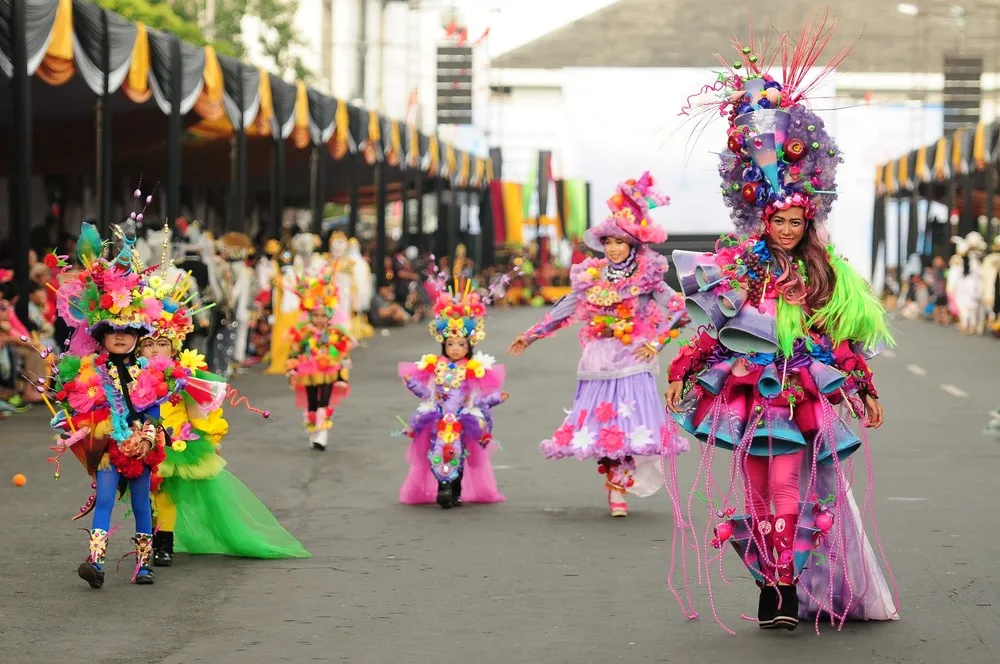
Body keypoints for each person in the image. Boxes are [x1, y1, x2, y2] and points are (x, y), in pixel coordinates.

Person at [666, 22, 898, 632]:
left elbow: (839, 341)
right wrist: (684, 370)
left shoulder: (825, 272)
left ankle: (787, 589)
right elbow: (715, 326)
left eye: (797, 220)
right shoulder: (742, 265)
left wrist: (862, 386)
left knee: (790, 490)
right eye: (779, 220)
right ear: (763, 221)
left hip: (797, 394)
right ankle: (768, 581)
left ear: (807, 219)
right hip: (745, 390)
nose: (788, 229)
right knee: (754, 493)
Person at [509, 173, 690, 517]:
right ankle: (614, 487)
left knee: (627, 427)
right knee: (605, 427)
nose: (612, 248)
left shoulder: (647, 276)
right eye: (607, 242)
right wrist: (531, 334)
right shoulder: (590, 276)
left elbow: (679, 310)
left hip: (632, 359)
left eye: (619, 242)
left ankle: (619, 488)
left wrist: (656, 342)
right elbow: (565, 307)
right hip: (597, 359)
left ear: (633, 245)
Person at [136, 270, 310, 565]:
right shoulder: (133, 375)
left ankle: (162, 544)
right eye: (148, 345)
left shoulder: (182, 376)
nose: (154, 350)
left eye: (161, 344)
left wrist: (209, 437)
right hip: (140, 439)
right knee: (147, 495)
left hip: (175, 441)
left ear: (174, 346)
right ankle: (149, 539)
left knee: (164, 492)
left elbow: (198, 409)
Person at [47, 219, 175, 588]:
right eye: (113, 332)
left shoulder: (150, 370)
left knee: (140, 504)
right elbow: (79, 407)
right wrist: (69, 424)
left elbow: (154, 411)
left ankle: (144, 564)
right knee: (104, 498)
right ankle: (96, 561)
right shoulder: (90, 369)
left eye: (127, 332)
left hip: (140, 444)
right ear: (102, 336)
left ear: (137, 336)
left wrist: (147, 439)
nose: (120, 338)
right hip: (106, 444)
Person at [398, 278, 507, 508]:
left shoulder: (472, 369)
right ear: (443, 345)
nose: (455, 349)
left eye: (460, 344)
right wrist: (411, 384)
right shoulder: (435, 365)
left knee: (459, 452)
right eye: (450, 344)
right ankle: (443, 487)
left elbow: (479, 397)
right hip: (438, 416)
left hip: (462, 416)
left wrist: (497, 398)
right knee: (437, 450)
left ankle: (454, 489)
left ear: (469, 347)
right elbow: (427, 393)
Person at [285, 271, 353, 450]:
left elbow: (342, 353)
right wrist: (291, 366)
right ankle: (313, 429)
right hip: (308, 370)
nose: (319, 319)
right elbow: (295, 351)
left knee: (325, 401)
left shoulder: (334, 333)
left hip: (329, 370)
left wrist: (343, 375)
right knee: (312, 402)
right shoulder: (305, 332)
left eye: (323, 316)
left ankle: (322, 432)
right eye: (316, 315)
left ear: (329, 316)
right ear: (310, 316)